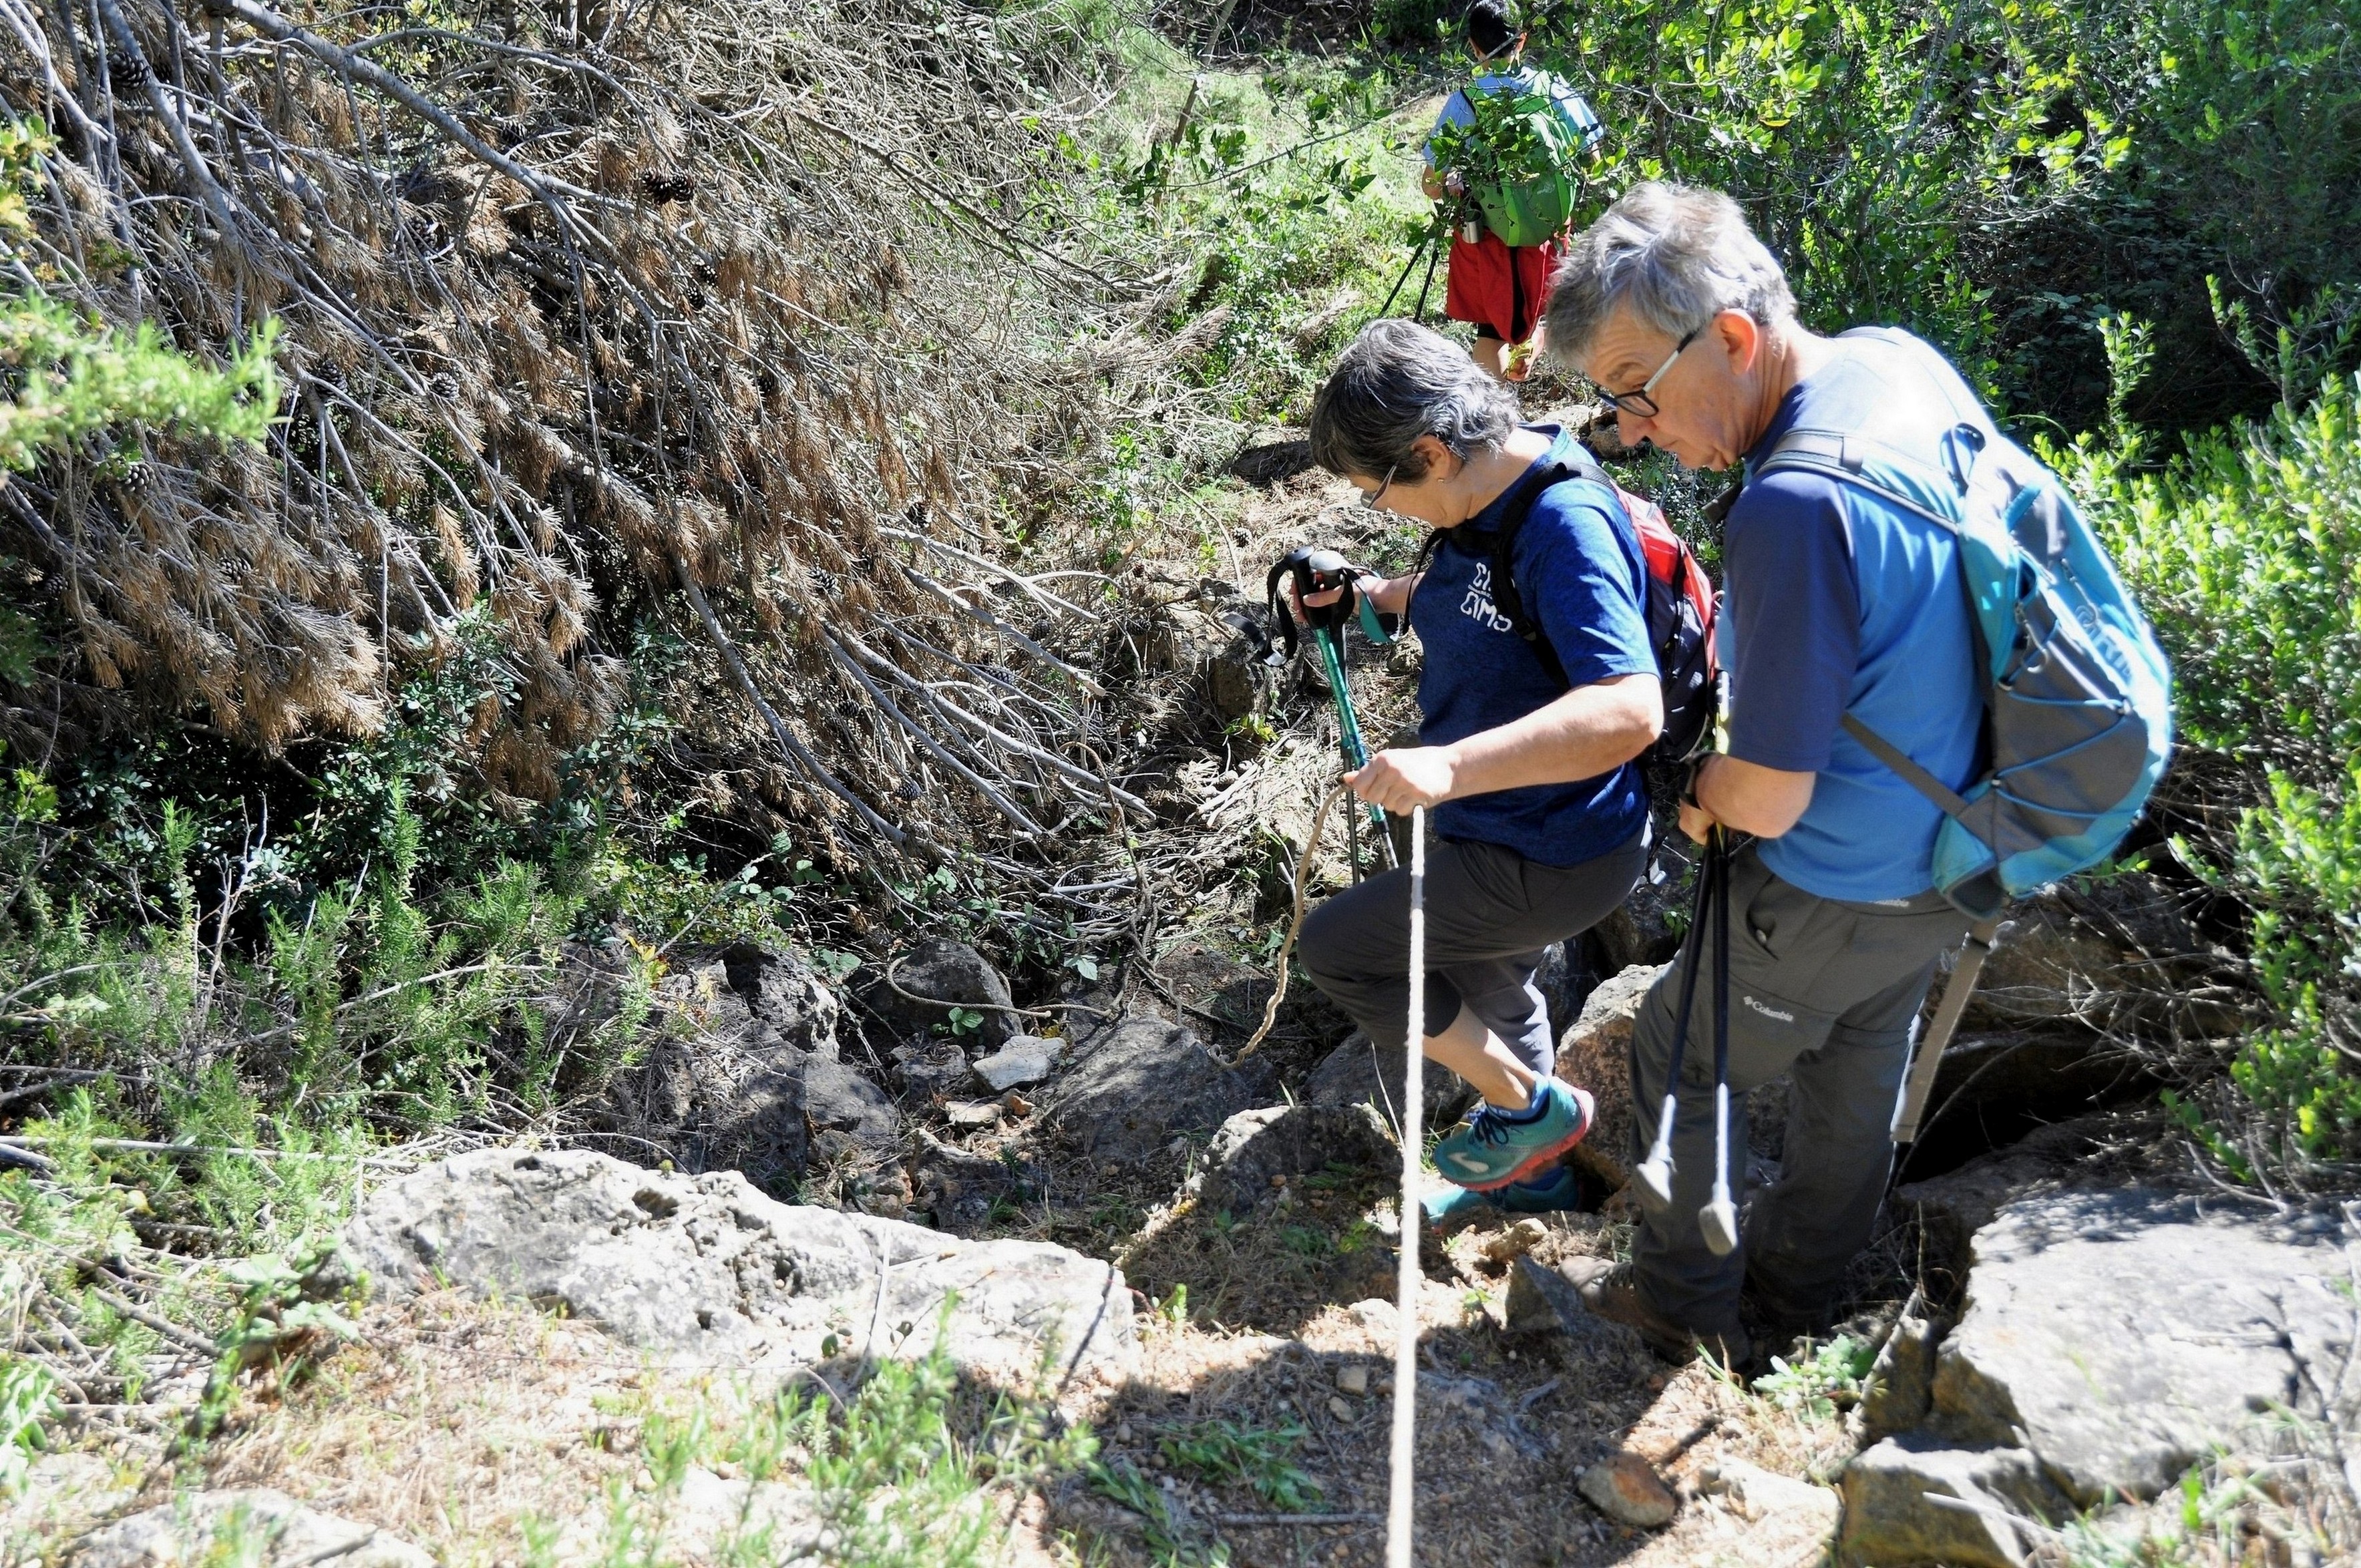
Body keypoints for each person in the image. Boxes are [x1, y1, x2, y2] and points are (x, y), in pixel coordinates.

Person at [1538, 182, 1988, 1365]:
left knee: (1678, 1052)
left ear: (1732, 337)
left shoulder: (1791, 505)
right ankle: (1798, 1304)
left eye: (1634, 392)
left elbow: (1773, 792)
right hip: (1968, 833)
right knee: (1861, 1057)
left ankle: (1681, 1309)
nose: (1634, 430)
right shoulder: (1892, 363)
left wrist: (1701, 795)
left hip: (1840, 869)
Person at [1294, 317, 1662, 1219]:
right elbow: (1474, 593)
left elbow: (1628, 709)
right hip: (1499, 823)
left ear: (1429, 451)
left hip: (1552, 850)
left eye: (1378, 490)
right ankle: (1534, 1185)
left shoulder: (1564, 522)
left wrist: (1447, 768)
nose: (1381, 509)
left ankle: (1532, 1108)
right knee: (1492, 991)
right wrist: (1369, 597)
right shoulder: (1489, 493)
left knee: (1339, 949)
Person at [1422, 1, 1604, 381]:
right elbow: (1594, 158)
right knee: (1536, 310)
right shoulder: (1553, 89)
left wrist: (1458, 183)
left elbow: (1432, 187)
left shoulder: (1465, 102)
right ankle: (1529, 343)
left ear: (1474, 48)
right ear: (1522, 40)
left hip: (1490, 237)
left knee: (1490, 332)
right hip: (1547, 229)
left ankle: (1495, 409)